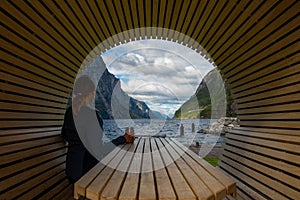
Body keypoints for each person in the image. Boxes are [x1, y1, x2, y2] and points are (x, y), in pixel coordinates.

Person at [61, 75, 134, 183]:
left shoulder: (69, 113)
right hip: (85, 174)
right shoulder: (92, 115)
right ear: (90, 93)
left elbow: (64, 135)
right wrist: (123, 139)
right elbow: (100, 150)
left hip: (71, 173)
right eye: (93, 92)